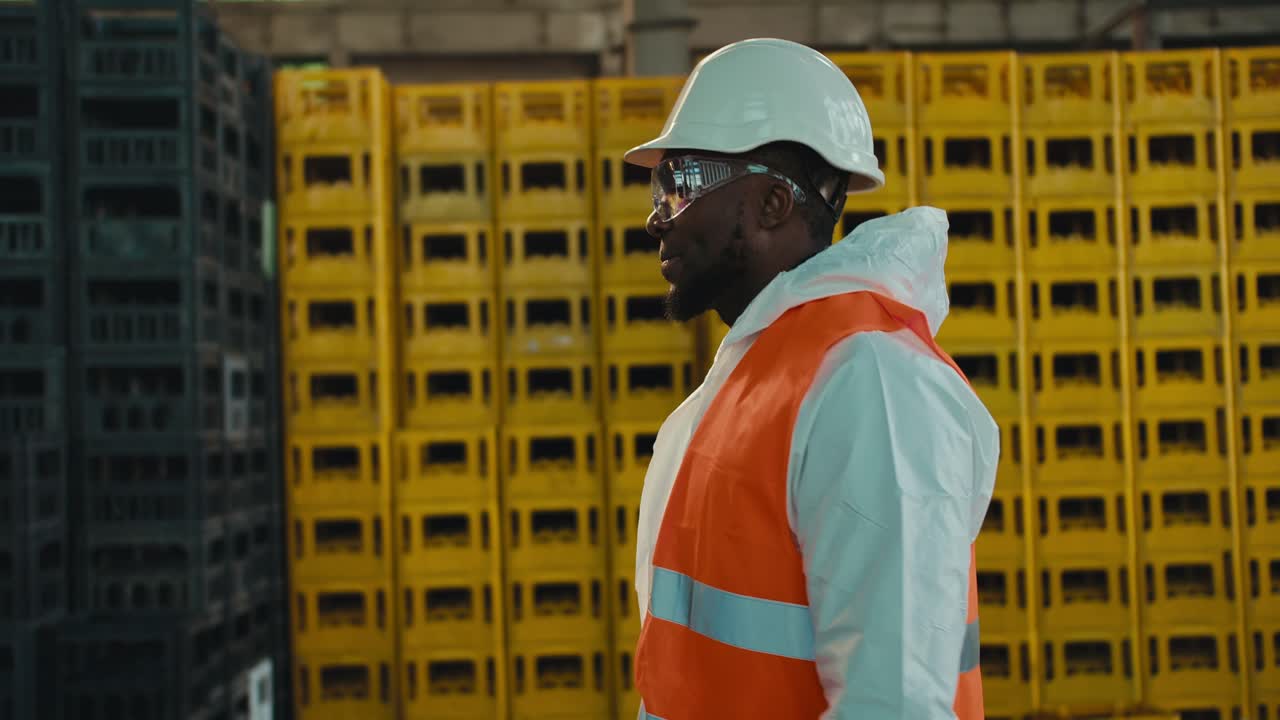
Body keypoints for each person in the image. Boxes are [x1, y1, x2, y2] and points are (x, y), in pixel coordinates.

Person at [622, 38, 1000, 719]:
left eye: (682, 183)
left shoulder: (871, 385)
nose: (657, 218)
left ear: (772, 204)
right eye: (661, 187)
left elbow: (895, 706)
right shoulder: (747, 383)